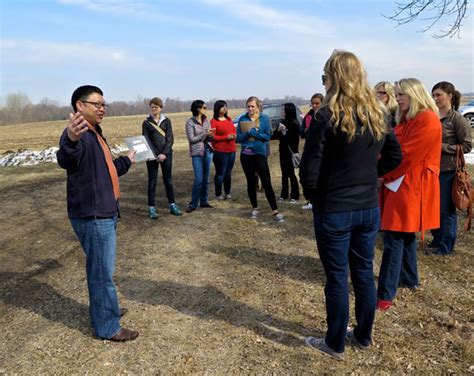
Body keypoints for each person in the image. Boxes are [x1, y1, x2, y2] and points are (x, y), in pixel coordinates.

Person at [299, 50, 402, 360]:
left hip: (336, 208)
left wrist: (318, 197)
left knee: (337, 276)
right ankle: (363, 335)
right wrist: (371, 178)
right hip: (368, 207)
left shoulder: (325, 116)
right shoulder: (378, 113)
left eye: (325, 76)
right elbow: (395, 157)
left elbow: (308, 170)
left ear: (336, 78)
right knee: (361, 271)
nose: (324, 82)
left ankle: (335, 342)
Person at [56, 85, 139, 342]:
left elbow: (106, 169)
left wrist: (127, 160)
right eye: (97, 104)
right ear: (80, 106)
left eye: (104, 104)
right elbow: (66, 159)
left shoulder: (95, 134)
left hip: (105, 211)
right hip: (93, 216)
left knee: (104, 270)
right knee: (101, 272)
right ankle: (107, 326)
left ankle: (107, 309)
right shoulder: (78, 135)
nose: (102, 108)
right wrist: (70, 139)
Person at [377, 78, 442, 311]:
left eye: (403, 94)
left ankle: (384, 295)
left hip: (411, 187)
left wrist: (382, 174)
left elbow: (406, 155)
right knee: (404, 235)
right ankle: (409, 278)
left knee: (394, 237)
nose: (399, 97)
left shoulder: (427, 119)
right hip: (402, 185)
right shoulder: (406, 120)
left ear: (415, 94)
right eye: (398, 94)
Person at [429, 81, 472, 255]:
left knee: (447, 210)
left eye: (438, 95)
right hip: (432, 169)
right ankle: (437, 238)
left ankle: (446, 246)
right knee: (434, 207)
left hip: (448, 170)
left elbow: (467, 146)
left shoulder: (457, 120)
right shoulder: (432, 116)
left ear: (450, 96)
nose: (435, 98)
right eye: (433, 95)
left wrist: (442, 147)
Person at [237, 96, 284, 222]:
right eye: (248, 106)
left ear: (258, 107)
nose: (250, 109)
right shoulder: (243, 118)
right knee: (251, 182)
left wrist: (254, 133)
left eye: (253, 106)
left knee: (266, 182)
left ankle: (275, 210)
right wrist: (247, 133)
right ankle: (255, 208)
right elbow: (238, 138)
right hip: (246, 155)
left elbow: (267, 136)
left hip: (259, 154)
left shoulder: (264, 118)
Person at [142, 97, 182, 219]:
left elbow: (170, 139)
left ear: (161, 108)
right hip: (152, 156)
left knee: (168, 180)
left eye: (156, 107)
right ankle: (151, 208)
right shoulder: (146, 123)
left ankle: (172, 205)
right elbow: (146, 140)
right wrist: (156, 154)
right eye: (152, 107)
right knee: (152, 181)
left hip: (166, 155)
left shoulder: (167, 121)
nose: (154, 109)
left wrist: (164, 153)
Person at [185, 100, 214, 212]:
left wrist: (211, 135)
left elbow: (209, 137)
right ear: (198, 108)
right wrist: (204, 134)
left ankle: (204, 201)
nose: (205, 109)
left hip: (208, 150)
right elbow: (192, 139)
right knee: (199, 179)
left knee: (206, 179)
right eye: (204, 107)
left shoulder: (206, 120)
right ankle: (193, 204)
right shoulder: (190, 122)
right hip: (197, 153)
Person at [272, 103, 300, 202]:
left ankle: (295, 195)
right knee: (284, 174)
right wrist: (279, 131)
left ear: (289, 111)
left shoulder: (294, 123)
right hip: (283, 152)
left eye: (283, 110)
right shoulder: (282, 122)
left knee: (291, 174)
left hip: (291, 152)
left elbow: (293, 140)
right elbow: (274, 137)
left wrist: (284, 132)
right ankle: (284, 195)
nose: (282, 112)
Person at [301, 93, 324, 210]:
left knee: (317, 176)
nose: (314, 106)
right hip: (309, 148)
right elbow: (302, 133)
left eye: (317, 103)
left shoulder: (325, 115)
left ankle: (318, 200)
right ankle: (310, 199)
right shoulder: (309, 116)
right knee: (305, 175)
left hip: (321, 150)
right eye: (313, 103)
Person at [210, 100, 236, 200]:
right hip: (220, 151)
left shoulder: (229, 119)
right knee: (220, 173)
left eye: (226, 106)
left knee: (228, 172)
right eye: (222, 107)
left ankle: (227, 192)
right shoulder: (214, 121)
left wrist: (234, 135)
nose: (225, 108)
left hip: (231, 150)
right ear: (217, 109)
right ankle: (218, 194)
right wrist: (226, 137)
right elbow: (212, 137)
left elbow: (234, 130)